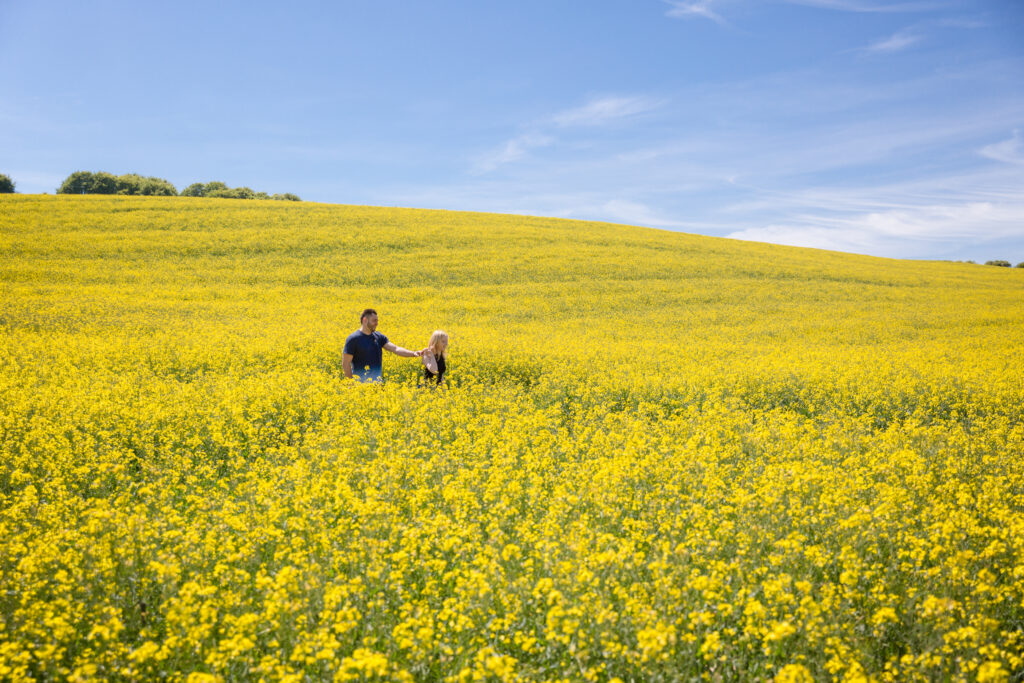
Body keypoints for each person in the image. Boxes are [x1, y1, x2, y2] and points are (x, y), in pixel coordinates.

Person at [342, 309, 420, 383]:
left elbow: (396, 349)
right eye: (374, 321)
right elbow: (346, 363)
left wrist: (413, 353)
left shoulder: (378, 337)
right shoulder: (353, 339)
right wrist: (350, 383)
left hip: (377, 385)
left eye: (377, 320)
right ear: (365, 320)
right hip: (359, 387)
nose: (376, 323)